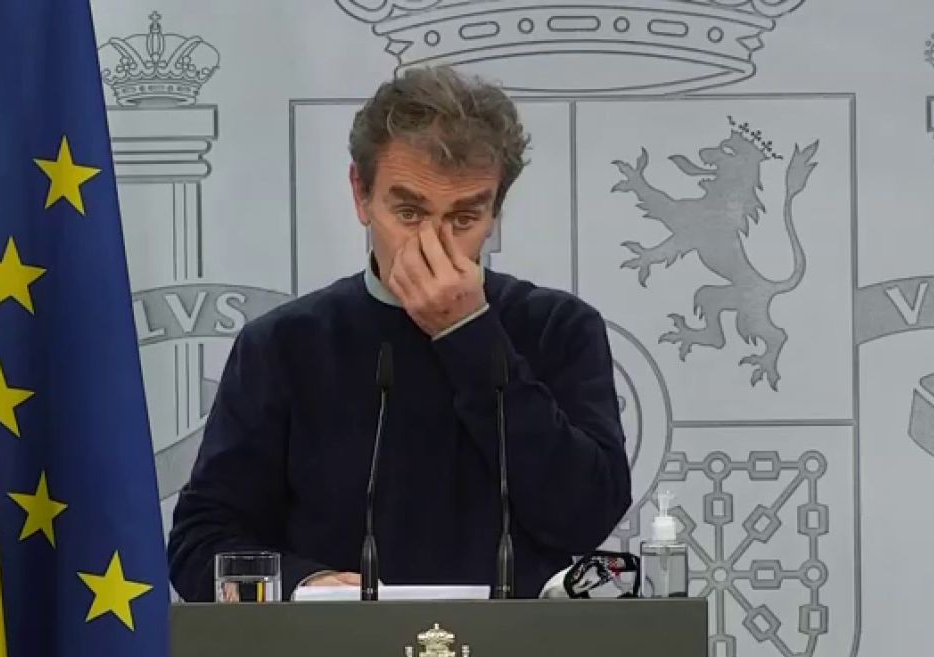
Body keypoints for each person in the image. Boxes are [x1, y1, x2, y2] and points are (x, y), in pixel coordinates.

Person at [167, 65, 632, 601]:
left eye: (464, 218)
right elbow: (200, 543)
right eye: (409, 212)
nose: (433, 243)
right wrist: (307, 586)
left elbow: (585, 517)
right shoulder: (284, 345)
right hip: (335, 648)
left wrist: (469, 334)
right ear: (361, 195)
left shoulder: (557, 329)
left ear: (495, 212)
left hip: (515, 648)